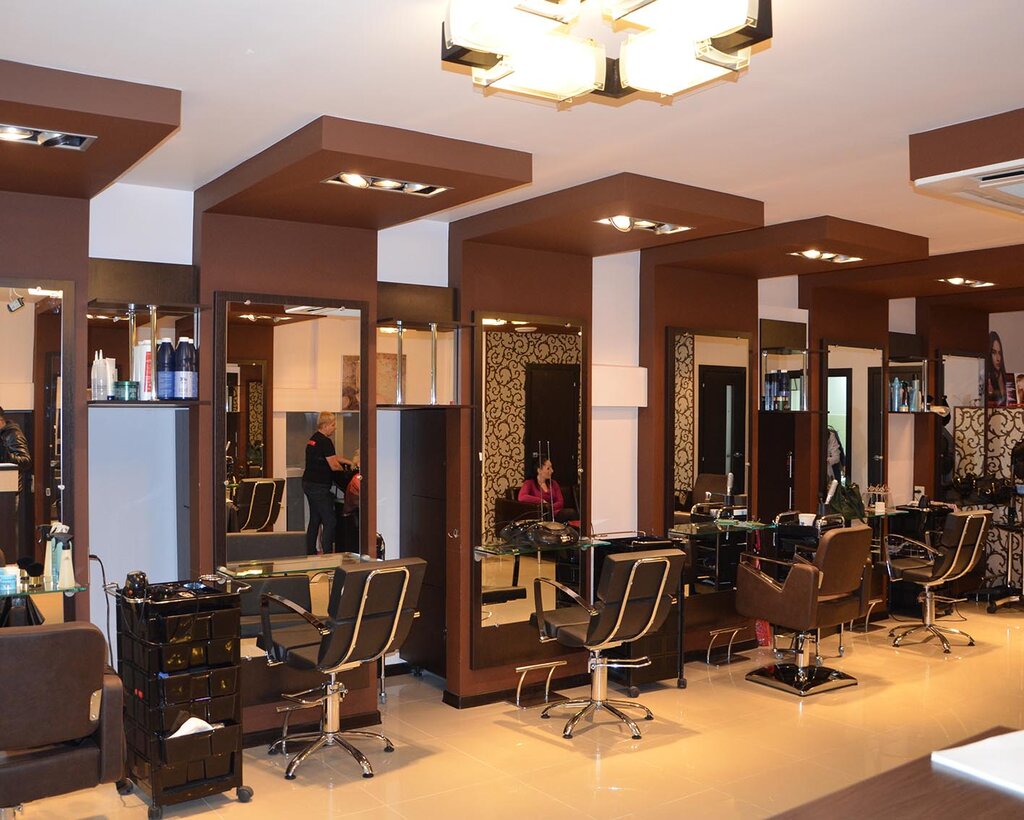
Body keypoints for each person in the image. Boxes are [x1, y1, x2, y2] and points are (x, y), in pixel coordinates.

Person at [302, 411, 350, 555]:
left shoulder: (313, 439)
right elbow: (334, 465)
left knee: (315, 519)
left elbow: (332, 456)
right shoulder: (325, 441)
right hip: (319, 487)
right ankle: (328, 554)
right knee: (330, 521)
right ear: (325, 425)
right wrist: (346, 471)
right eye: (333, 425)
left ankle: (310, 552)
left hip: (309, 484)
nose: (335, 428)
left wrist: (348, 461)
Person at [0, 406, 31, 550]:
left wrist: (6, 455)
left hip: (7, 492)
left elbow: (26, 461)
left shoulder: (13, 434)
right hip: (4, 490)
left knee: (6, 535)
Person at [519, 456, 578, 524]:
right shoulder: (529, 483)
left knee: (571, 512)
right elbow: (522, 497)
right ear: (539, 470)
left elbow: (560, 502)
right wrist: (542, 501)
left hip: (554, 513)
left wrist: (549, 508)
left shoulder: (553, 483)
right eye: (548, 468)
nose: (552, 471)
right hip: (539, 515)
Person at [987, 330, 1007, 407]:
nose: (998, 358)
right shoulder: (987, 377)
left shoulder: (1005, 377)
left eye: (999, 353)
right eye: (994, 353)